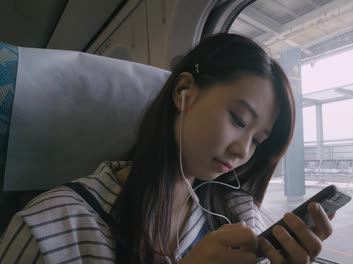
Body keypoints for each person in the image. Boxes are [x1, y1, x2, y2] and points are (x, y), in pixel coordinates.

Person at [0, 33, 334, 264]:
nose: (242, 151)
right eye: (237, 119)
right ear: (184, 91)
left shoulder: (239, 214)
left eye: (258, 141)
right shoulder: (55, 228)